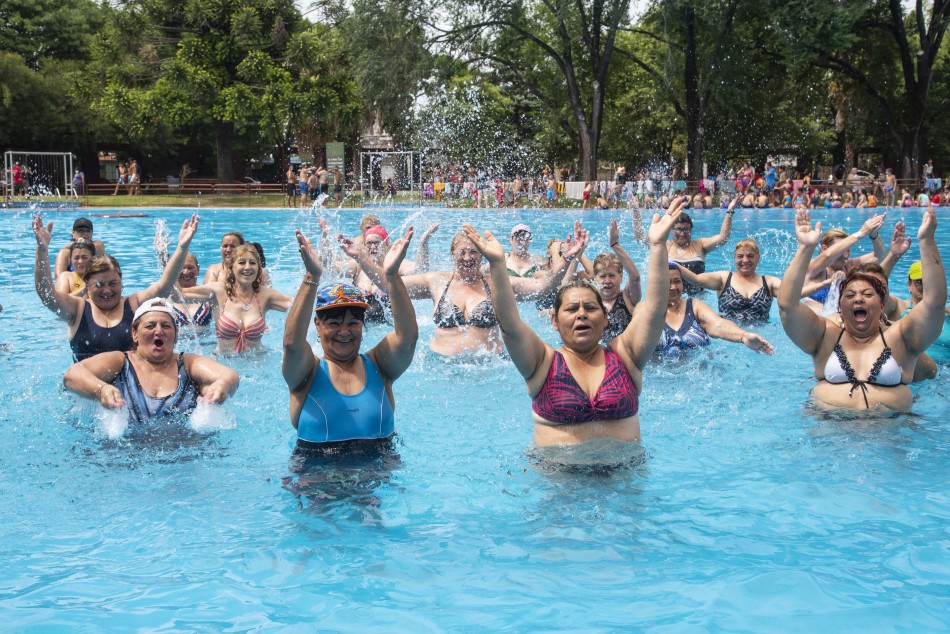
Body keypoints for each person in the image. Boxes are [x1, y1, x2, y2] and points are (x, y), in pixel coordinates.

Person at [458, 197, 688, 449]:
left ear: (605, 318)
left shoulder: (626, 356)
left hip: (624, 481)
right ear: (555, 321)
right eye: (571, 309)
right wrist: (497, 264)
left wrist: (657, 246)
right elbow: (510, 327)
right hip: (560, 481)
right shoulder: (542, 362)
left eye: (590, 308)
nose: (582, 314)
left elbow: (655, 311)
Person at [778, 206, 946, 411]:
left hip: (890, 433)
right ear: (840, 306)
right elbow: (787, 305)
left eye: (867, 295)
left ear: (883, 303)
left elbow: (934, 303)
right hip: (829, 432)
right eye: (849, 295)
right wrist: (805, 248)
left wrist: (927, 240)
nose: (858, 299)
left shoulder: (900, 336)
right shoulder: (824, 335)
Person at [345, 224, 588, 358]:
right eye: (462, 252)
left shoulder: (498, 283)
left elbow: (542, 289)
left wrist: (566, 258)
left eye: (473, 252)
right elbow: (391, 288)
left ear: (482, 254)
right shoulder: (436, 281)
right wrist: (363, 259)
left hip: (490, 367)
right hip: (441, 366)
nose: (468, 257)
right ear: (452, 254)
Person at [282, 227, 417, 453]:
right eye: (334, 323)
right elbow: (292, 345)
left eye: (353, 323)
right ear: (318, 325)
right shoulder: (308, 372)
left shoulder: (379, 366)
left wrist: (392, 277)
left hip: (377, 480)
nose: (344, 331)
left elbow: (408, 339)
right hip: (318, 479)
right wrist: (312, 277)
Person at [33, 214, 199, 361]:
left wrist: (182, 247)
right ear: (88, 285)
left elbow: (164, 286)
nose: (107, 291)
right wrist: (42, 249)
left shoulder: (133, 304)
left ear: (121, 283)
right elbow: (46, 294)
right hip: (85, 392)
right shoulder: (77, 309)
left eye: (113, 284)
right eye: (99, 285)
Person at [62, 298, 239, 425]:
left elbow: (229, 375)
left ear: (175, 335)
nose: (159, 331)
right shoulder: (120, 361)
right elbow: (72, 375)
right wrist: (101, 390)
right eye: (150, 326)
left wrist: (221, 386)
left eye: (166, 326)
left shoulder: (188, 363)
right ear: (134, 334)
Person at [180, 244, 292, 354]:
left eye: (252, 263)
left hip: (258, 361)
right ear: (231, 267)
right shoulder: (219, 291)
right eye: (242, 262)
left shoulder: (265, 295)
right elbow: (178, 294)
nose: (247, 267)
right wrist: (181, 248)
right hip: (224, 362)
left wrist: (310, 275)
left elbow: (299, 305)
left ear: (258, 268)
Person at [656, 264, 774, 356]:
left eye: (677, 281)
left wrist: (743, 336)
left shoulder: (694, 306)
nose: (673, 287)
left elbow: (718, 324)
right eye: (667, 282)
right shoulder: (647, 311)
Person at [672, 238, 782, 324]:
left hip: (763, 338)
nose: (745, 260)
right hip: (729, 337)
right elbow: (696, 279)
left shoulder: (768, 282)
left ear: (758, 258)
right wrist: (672, 264)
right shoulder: (724, 278)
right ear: (734, 258)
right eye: (740, 256)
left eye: (750, 256)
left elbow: (795, 293)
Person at [802, 214, 887, 310]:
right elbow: (827, 257)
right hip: (812, 322)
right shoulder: (812, 268)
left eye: (848, 250)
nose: (846, 255)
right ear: (824, 248)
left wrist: (874, 236)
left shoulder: (849, 267)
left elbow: (879, 256)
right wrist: (861, 233)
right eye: (842, 250)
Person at [579, 220, 641, 344]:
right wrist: (578, 253)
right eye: (602, 276)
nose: (607, 281)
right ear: (595, 278)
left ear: (621, 276)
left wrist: (615, 245)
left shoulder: (627, 297)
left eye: (612, 275)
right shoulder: (589, 300)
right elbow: (565, 285)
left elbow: (635, 277)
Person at [666, 196, 736, 295]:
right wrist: (635, 211)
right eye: (678, 229)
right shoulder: (665, 246)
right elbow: (642, 238)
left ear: (691, 230)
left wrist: (729, 212)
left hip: (699, 298)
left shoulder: (700, 245)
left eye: (686, 229)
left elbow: (723, 238)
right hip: (672, 297)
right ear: (672, 230)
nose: (682, 233)